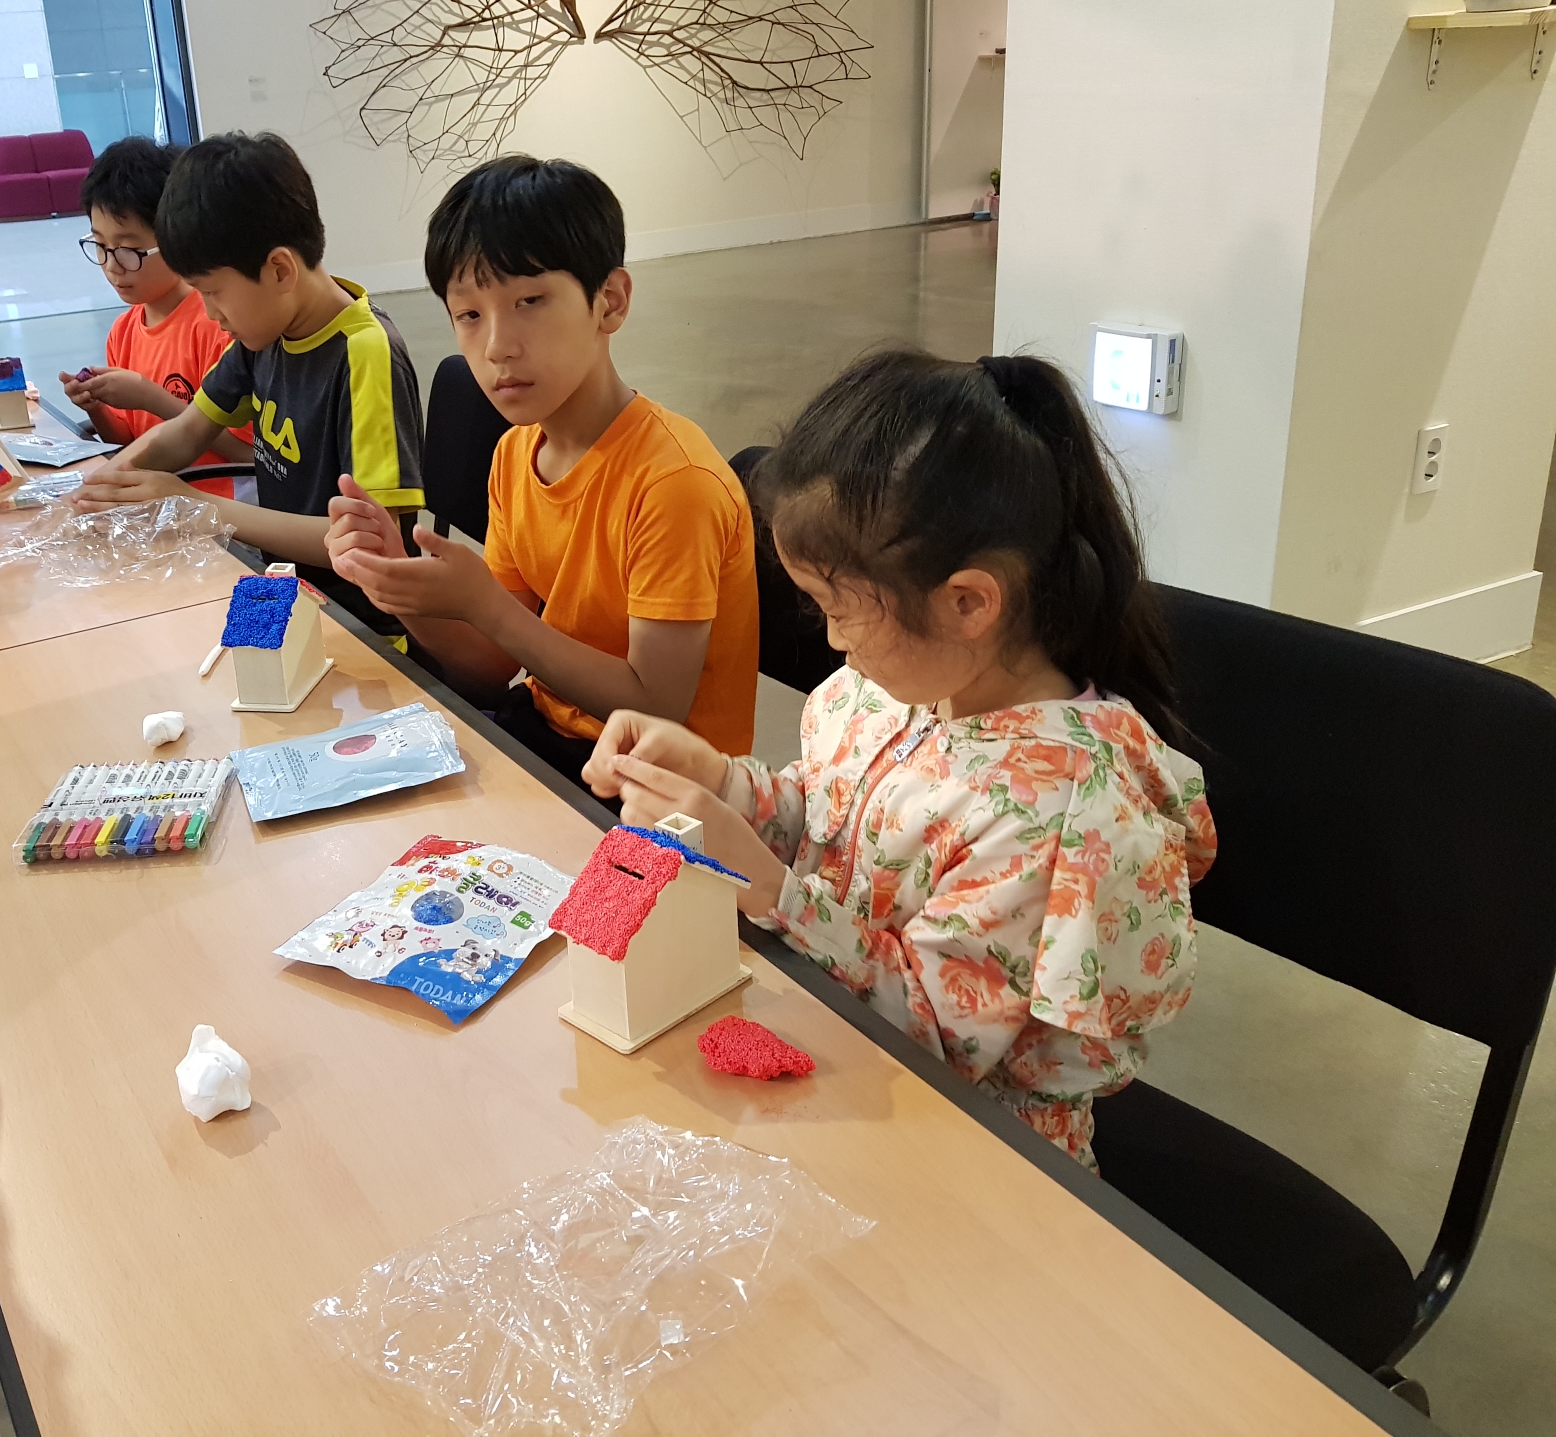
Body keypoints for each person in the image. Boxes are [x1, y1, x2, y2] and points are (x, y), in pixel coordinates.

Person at [582, 350, 1218, 1171]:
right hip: (839, 1052)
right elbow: (835, 818)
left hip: (981, 1153)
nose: (832, 640)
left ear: (968, 603)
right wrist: (722, 782)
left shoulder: (1060, 815)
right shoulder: (898, 689)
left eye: (840, 610)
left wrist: (771, 890)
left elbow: (940, 1040)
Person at [324, 155, 758, 792]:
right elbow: (493, 667)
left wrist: (488, 608)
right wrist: (396, 587)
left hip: (659, 790)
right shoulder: (515, 454)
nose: (497, 345)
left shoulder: (674, 484)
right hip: (549, 739)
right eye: (469, 314)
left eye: (530, 301)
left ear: (609, 302)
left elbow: (655, 707)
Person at [70, 131, 424, 637]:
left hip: (357, 623)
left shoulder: (364, 353)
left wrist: (200, 508)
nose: (210, 313)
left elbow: (368, 544)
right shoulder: (264, 333)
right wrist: (105, 486)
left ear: (279, 270)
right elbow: (187, 431)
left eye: (213, 292)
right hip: (277, 588)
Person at [55, 136, 254, 500]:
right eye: (100, 246)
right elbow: (128, 441)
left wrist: (153, 398)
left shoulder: (217, 324)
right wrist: (96, 407)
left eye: (129, 250)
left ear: (176, 238)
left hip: (215, 505)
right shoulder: (123, 331)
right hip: (150, 504)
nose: (112, 266)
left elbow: (249, 454)